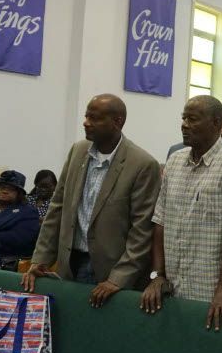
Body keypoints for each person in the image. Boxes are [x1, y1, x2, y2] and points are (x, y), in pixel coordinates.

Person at [22, 94, 161, 309]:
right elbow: (58, 207)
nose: (86, 122)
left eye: (95, 118)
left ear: (118, 121)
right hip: (70, 261)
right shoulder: (78, 151)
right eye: (87, 116)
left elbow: (141, 230)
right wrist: (40, 259)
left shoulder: (142, 164)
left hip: (110, 271)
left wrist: (119, 277)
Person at [140, 97, 222, 331]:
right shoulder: (175, 161)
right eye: (183, 118)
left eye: (192, 119)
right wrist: (157, 275)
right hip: (173, 284)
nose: (184, 124)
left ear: (215, 123)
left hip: (212, 289)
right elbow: (160, 220)